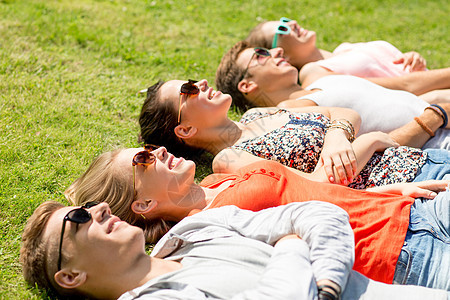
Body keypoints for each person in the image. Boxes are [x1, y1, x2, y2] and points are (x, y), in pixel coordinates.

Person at [65, 146, 450, 290]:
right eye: (143, 160)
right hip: (400, 256)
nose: (159, 151)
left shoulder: (220, 179)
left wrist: (381, 193)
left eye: (149, 148)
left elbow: (311, 193)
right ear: (143, 205)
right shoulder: (201, 233)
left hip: (412, 210)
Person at [21, 200, 449, 299]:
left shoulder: (195, 229)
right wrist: (292, 249)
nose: (98, 209)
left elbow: (317, 213)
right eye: (78, 219)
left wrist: (329, 281)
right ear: (70, 275)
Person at [138, 78, 450, 187]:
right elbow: (314, 185)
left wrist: (337, 137)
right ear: (186, 129)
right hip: (409, 183)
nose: (201, 84)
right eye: (188, 90)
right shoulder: (229, 159)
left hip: (424, 159)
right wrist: (366, 141)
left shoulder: (256, 114)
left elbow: (342, 113)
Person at [214, 41, 450, 149]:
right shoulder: (287, 112)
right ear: (247, 85)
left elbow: (403, 95)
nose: (277, 50)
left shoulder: (325, 81)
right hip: (436, 144)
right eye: (261, 55)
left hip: (443, 121)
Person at [245, 17, 450, 103]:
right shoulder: (316, 73)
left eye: (285, 21)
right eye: (282, 29)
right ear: (280, 53)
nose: (293, 23)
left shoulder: (345, 48)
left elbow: (400, 73)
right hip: (435, 99)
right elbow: (404, 87)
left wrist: (411, 58)